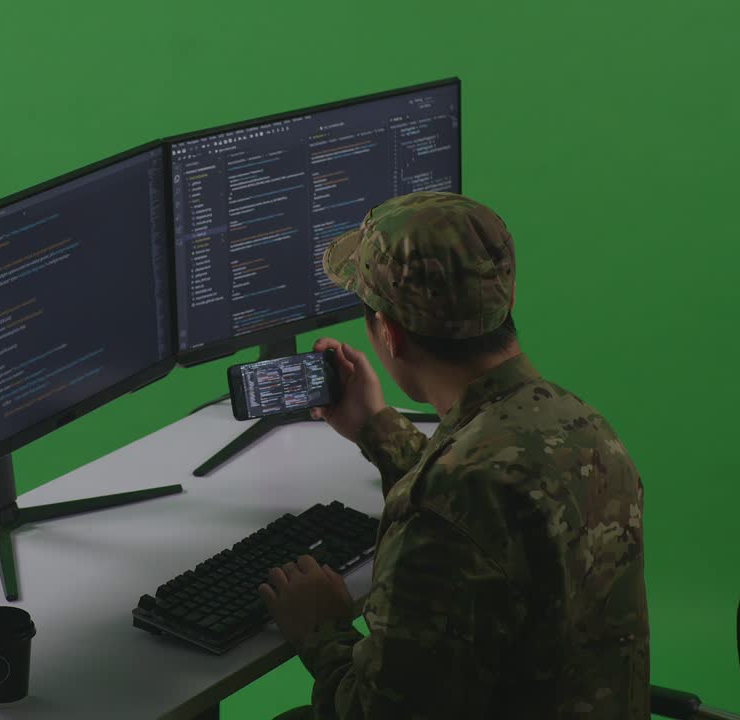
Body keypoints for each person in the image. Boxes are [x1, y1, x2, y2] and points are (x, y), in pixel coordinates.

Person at [258, 192, 649, 719]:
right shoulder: (578, 424)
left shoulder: (443, 512)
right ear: (504, 301)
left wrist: (320, 626)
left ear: (390, 335)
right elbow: (489, 512)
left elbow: (376, 714)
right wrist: (376, 427)